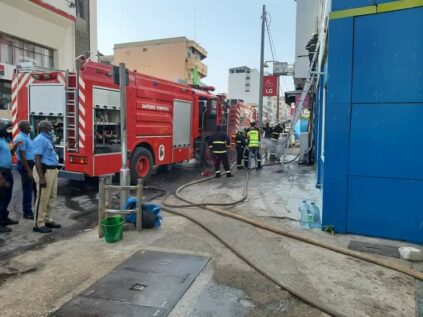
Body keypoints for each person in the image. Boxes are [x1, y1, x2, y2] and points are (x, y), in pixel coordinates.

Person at [33, 120, 61, 233]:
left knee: (52, 197)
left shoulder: (48, 138)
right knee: (43, 198)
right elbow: (37, 159)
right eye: (50, 125)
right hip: (44, 171)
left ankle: (48, 220)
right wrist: (41, 177)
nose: (52, 126)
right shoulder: (40, 139)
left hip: (53, 170)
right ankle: (38, 224)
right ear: (44, 127)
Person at [0, 120, 21, 233]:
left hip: (8, 172)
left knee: (7, 196)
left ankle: (4, 217)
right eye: (4, 127)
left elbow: (9, 153)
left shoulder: (3, 139)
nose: (7, 130)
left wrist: (15, 147)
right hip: (2, 173)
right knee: (1, 198)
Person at [15, 120, 35, 220]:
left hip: (30, 163)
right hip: (25, 165)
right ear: (22, 128)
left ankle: (30, 210)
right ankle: (27, 212)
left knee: (31, 188)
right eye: (27, 125)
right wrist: (29, 171)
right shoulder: (20, 138)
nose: (29, 126)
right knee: (27, 190)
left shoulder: (27, 136)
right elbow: (23, 156)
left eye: (29, 124)